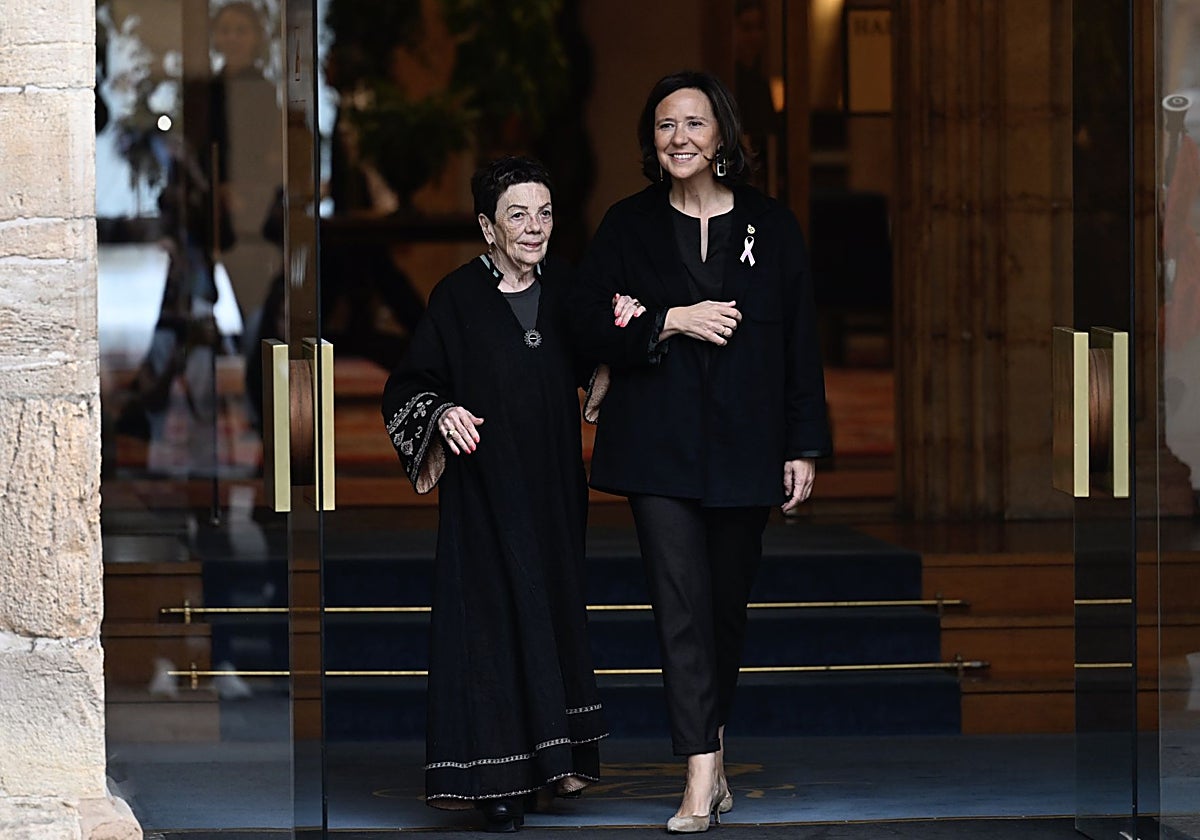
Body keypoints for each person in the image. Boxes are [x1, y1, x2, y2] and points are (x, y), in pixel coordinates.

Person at [568, 70, 832, 834]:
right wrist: (669, 319)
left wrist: (804, 443)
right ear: (651, 142)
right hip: (658, 446)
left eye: (693, 123)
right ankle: (698, 774)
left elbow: (801, 343)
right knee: (679, 606)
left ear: (722, 136)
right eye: (664, 126)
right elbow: (583, 318)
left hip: (748, 444)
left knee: (723, 611)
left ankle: (711, 749)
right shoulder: (627, 225)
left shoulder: (772, 227)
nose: (678, 137)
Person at [381, 156, 609, 832]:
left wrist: (621, 332)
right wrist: (442, 412)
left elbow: (605, 352)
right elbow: (410, 385)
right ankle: (497, 781)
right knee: (489, 625)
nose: (534, 227)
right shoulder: (456, 297)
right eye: (518, 215)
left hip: (555, 491)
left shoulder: (568, 287)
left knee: (551, 613)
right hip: (484, 494)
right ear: (487, 227)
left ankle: (556, 764)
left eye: (544, 213)